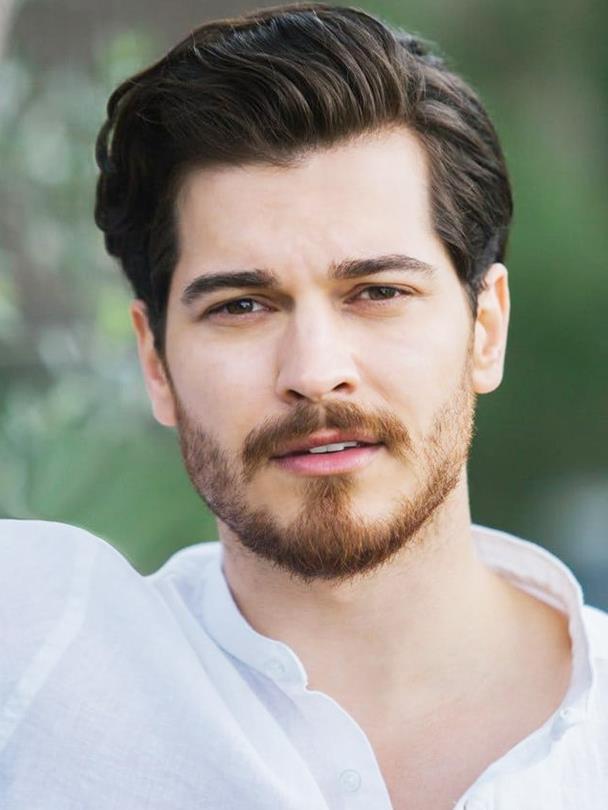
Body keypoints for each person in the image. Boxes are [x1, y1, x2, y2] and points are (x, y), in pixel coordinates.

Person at [1, 3, 606, 808]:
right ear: (156, 363)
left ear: (484, 330)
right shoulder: (38, 674)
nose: (316, 374)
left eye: (378, 292)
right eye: (242, 306)